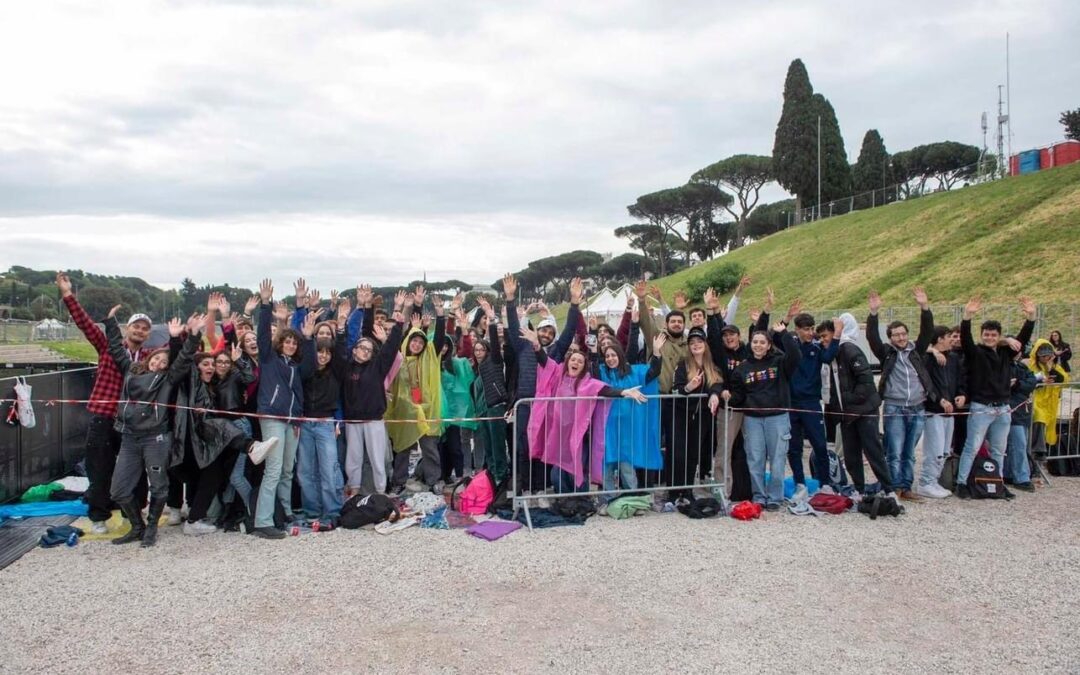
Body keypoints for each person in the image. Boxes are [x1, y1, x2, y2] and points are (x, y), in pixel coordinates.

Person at [173, 315, 290, 536]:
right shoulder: (201, 384)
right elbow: (182, 363)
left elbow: (248, 378)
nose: (217, 366)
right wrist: (191, 335)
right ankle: (217, 513)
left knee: (229, 476)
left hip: (233, 430)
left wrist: (237, 360)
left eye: (221, 363)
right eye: (211, 363)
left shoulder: (233, 376)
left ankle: (247, 513)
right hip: (209, 436)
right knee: (222, 476)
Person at [57, 272, 153, 534]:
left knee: (135, 470)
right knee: (99, 468)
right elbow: (86, 325)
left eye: (144, 328)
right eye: (136, 326)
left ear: (148, 334)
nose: (139, 330)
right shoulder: (108, 346)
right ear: (127, 328)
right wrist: (68, 294)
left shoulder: (149, 357)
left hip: (132, 421)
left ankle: (132, 513)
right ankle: (98, 516)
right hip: (104, 416)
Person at [105, 310, 199, 546]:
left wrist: (189, 337)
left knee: (159, 485)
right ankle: (137, 526)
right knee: (118, 490)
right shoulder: (130, 369)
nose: (158, 363)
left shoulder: (168, 379)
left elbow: (184, 358)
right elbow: (116, 348)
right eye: (156, 359)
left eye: (164, 362)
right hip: (129, 438)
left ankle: (152, 528)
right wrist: (111, 323)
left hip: (155, 438)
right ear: (149, 358)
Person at [526, 327, 648, 494]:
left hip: (579, 436)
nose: (576, 363)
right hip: (559, 434)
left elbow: (604, 389)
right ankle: (565, 499)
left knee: (577, 470)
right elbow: (544, 361)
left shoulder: (586, 382)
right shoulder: (558, 375)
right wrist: (536, 345)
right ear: (568, 362)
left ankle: (580, 498)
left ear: (584, 367)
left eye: (580, 361)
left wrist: (624, 392)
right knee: (556, 473)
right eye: (573, 360)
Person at [252, 278, 317, 539]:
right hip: (272, 417)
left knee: (287, 470)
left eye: (294, 343)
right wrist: (265, 304)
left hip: (292, 421)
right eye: (287, 341)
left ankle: (285, 512)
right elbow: (262, 337)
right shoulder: (269, 359)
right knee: (274, 469)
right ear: (280, 342)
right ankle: (263, 521)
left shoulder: (295, 367)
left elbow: (310, 369)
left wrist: (309, 338)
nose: (290, 345)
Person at [955, 296, 1035, 498]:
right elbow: (966, 338)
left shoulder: (1005, 354)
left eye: (993, 335)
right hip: (982, 408)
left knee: (999, 450)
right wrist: (967, 316)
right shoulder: (975, 353)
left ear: (998, 336)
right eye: (986, 334)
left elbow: (1022, 339)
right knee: (972, 447)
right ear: (982, 335)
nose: (989, 338)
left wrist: (1031, 318)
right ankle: (961, 483)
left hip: (1003, 408)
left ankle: (997, 483)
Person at [865, 288, 938, 502]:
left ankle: (906, 487)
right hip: (894, 407)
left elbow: (927, 332)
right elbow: (872, 337)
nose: (901, 337)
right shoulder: (886, 353)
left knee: (909, 452)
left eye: (903, 334)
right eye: (896, 335)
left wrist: (924, 307)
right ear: (890, 338)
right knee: (894, 451)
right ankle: (893, 487)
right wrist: (873, 313)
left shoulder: (916, 351)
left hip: (917, 406)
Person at [723, 322, 802, 511]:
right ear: (750, 344)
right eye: (755, 342)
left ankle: (775, 497)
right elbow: (739, 395)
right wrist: (728, 396)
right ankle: (759, 495)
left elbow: (796, 355)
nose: (758, 345)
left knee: (777, 458)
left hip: (777, 417)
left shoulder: (779, 362)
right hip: (752, 419)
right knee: (755, 459)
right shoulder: (743, 368)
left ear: (768, 345)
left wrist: (784, 333)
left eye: (762, 342)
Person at [336, 289, 405, 497]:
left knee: (377, 459)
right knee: (353, 459)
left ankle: (380, 493)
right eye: (362, 348)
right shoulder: (345, 367)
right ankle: (355, 491)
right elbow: (346, 344)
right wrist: (363, 308)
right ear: (354, 350)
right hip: (353, 420)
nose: (365, 351)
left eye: (369, 349)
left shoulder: (377, 367)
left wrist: (398, 317)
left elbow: (390, 348)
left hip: (374, 419)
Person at [387, 286, 447, 494]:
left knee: (429, 447)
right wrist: (414, 306)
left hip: (426, 408)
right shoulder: (399, 358)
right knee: (403, 446)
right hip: (405, 408)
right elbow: (401, 333)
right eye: (414, 340)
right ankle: (399, 482)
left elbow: (438, 340)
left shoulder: (429, 358)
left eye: (421, 342)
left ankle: (434, 480)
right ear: (408, 341)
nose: (417, 344)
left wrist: (440, 315)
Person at [832, 313, 896, 500]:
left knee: (873, 450)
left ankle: (888, 489)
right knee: (851, 454)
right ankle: (859, 489)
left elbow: (866, 379)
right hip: (847, 412)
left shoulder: (850, 349)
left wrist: (848, 398)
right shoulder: (834, 351)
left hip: (864, 409)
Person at [594, 334, 664, 501]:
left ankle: (633, 499)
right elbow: (597, 384)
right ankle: (608, 499)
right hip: (607, 426)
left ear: (620, 355)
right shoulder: (602, 372)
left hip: (627, 427)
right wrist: (592, 351)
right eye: (607, 356)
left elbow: (653, 372)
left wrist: (656, 353)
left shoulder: (634, 372)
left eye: (613, 355)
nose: (610, 359)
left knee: (626, 464)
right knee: (607, 463)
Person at [786, 308, 838, 497]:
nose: (810, 333)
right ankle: (799, 482)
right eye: (806, 329)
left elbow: (828, 357)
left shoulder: (816, 348)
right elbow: (774, 336)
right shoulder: (790, 345)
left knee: (820, 444)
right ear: (797, 329)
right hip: (791, 403)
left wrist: (837, 336)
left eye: (811, 329)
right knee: (794, 447)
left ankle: (825, 483)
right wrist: (786, 318)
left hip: (811, 403)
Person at [670, 327, 726, 501]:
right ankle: (674, 491)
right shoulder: (683, 364)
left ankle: (688, 490)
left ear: (705, 344)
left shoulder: (712, 366)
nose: (696, 345)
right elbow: (676, 389)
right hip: (682, 415)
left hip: (702, 417)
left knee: (694, 454)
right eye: (692, 342)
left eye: (699, 341)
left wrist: (715, 394)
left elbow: (717, 383)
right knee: (679, 454)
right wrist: (689, 387)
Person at [297, 333, 346, 525]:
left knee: (329, 469)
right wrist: (308, 338)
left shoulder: (336, 372)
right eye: (320, 351)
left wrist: (340, 330)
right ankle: (312, 511)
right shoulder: (305, 372)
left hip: (326, 423)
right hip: (305, 424)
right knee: (305, 470)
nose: (323, 356)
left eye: (327, 352)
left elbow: (342, 353)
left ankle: (332, 510)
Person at [919, 326, 966, 498]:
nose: (952, 340)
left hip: (950, 412)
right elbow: (927, 384)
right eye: (948, 336)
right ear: (939, 339)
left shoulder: (953, 359)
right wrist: (939, 399)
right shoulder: (928, 359)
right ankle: (926, 482)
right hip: (934, 411)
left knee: (945, 450)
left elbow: (959, 380)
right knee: (934, 450)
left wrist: (961, 394)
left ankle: (935, 480)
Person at [471, 296, 511, 483]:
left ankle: (501, 479)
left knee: (497, 447)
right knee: (488, 448)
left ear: (487, 351)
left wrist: (491, 318)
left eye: (481, 349)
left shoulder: (494, 360)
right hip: (484, 411)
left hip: (496, 408)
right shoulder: (478, 368)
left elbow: (494, 342)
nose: (478, 352)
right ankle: (492, 478)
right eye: (476, 350)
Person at [1028, 337, 1070, 460]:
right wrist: (1040, 381)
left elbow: (1064, 380)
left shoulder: (1055, 366)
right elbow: (1027, 381)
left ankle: (1042, 452)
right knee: (1039, 417)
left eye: (1048, 355)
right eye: (1043, 356)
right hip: (1035, 401)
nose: (1046, 358)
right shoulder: (1031, 366)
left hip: (1050, 403)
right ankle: (1039, 451)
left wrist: (1050, 368)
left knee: (1048, 427)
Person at [1005, 345, 1038, 491]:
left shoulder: (1021, 366)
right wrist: (1021, 386)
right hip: (1012, 410)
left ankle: (1011, 473)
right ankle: (1021, 477)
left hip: (1022, 411)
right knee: (1018, 444)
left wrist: (1018, 384)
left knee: (1018, 444)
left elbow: (1032, 381)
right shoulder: (1003, 367)